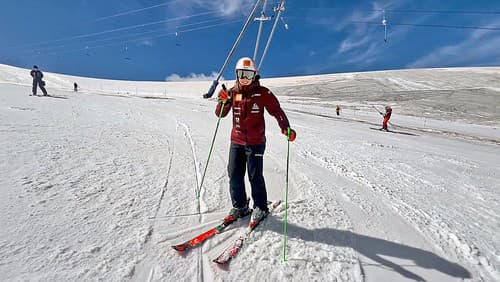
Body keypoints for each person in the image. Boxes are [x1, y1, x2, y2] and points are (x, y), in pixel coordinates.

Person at [215, 57, 297, 224]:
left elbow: (276, 110)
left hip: (256, 142)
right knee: (234, 174)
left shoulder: (263, 93)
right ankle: (240, 207)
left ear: (255, 75)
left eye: (249, 74)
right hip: (236, 141)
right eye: (241, 74)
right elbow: (220, 114)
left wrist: (285, 127)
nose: (245, 78)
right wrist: (222, 101)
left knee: (255, 176)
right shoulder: (232, 92)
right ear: (236, 74)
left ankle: (260, 207)